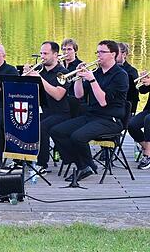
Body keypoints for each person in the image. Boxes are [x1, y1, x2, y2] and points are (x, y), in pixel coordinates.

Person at [50, 40, 128, 182]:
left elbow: (103, 102)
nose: (98, 55)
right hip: (92, 116)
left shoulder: (120, 75)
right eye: (97, 52)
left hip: (110, 119)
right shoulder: (97, 72)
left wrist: (92, 80)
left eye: (102, 52)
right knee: (57, 131)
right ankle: (83, 165)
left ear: (113, 54)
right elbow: (79, 95)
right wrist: (79, 78)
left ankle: (86, 165)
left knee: (77, 137)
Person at [23, 42, 70, 172]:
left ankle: (42, 163)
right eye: (41, 53)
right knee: (23, 120)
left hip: (60, 113)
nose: (42, 57)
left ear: (55, 55)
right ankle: (20, 159)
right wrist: (27, 78)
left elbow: (58, 95)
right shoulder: (40, 71)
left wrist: (39, 79)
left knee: (41, 126)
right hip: (42, 110)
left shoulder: (63, 73)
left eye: (45, 53)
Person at [61, 38, 84, 118]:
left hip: (74, 100)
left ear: (75, 51)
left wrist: (63, 69)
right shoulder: (58, 64)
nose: (66, 52)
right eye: (64, 49)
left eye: (69, 49)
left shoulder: (80, 65)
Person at [132, 73, 150, 170]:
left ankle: (147, 155)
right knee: (132, 125)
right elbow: (143, 91)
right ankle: (147, 148)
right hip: (148, 110)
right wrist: (143, 81)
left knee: (148, 119)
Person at [117, 42, 139, 115]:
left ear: (124, 54)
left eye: (116, 53)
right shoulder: (106, 69)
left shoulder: (132, 71)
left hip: (126, 104)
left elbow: (132, 94)